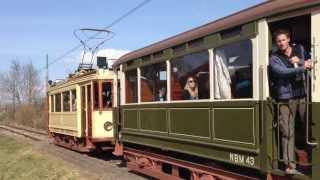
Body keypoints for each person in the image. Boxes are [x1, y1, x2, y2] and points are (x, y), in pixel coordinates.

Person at [269, 29, 312, 175]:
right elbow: (280, 72)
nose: (281, 43)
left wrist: (300, 62)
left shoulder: (299, 49)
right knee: (287, 131)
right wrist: (301, 67)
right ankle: (289, 165)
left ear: (288, 39)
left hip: (302, 95)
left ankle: (311, 162)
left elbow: (311, 62)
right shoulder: (274, 57)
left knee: (308, 128)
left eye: (283, 40)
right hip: (286, 98)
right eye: (278, 41)